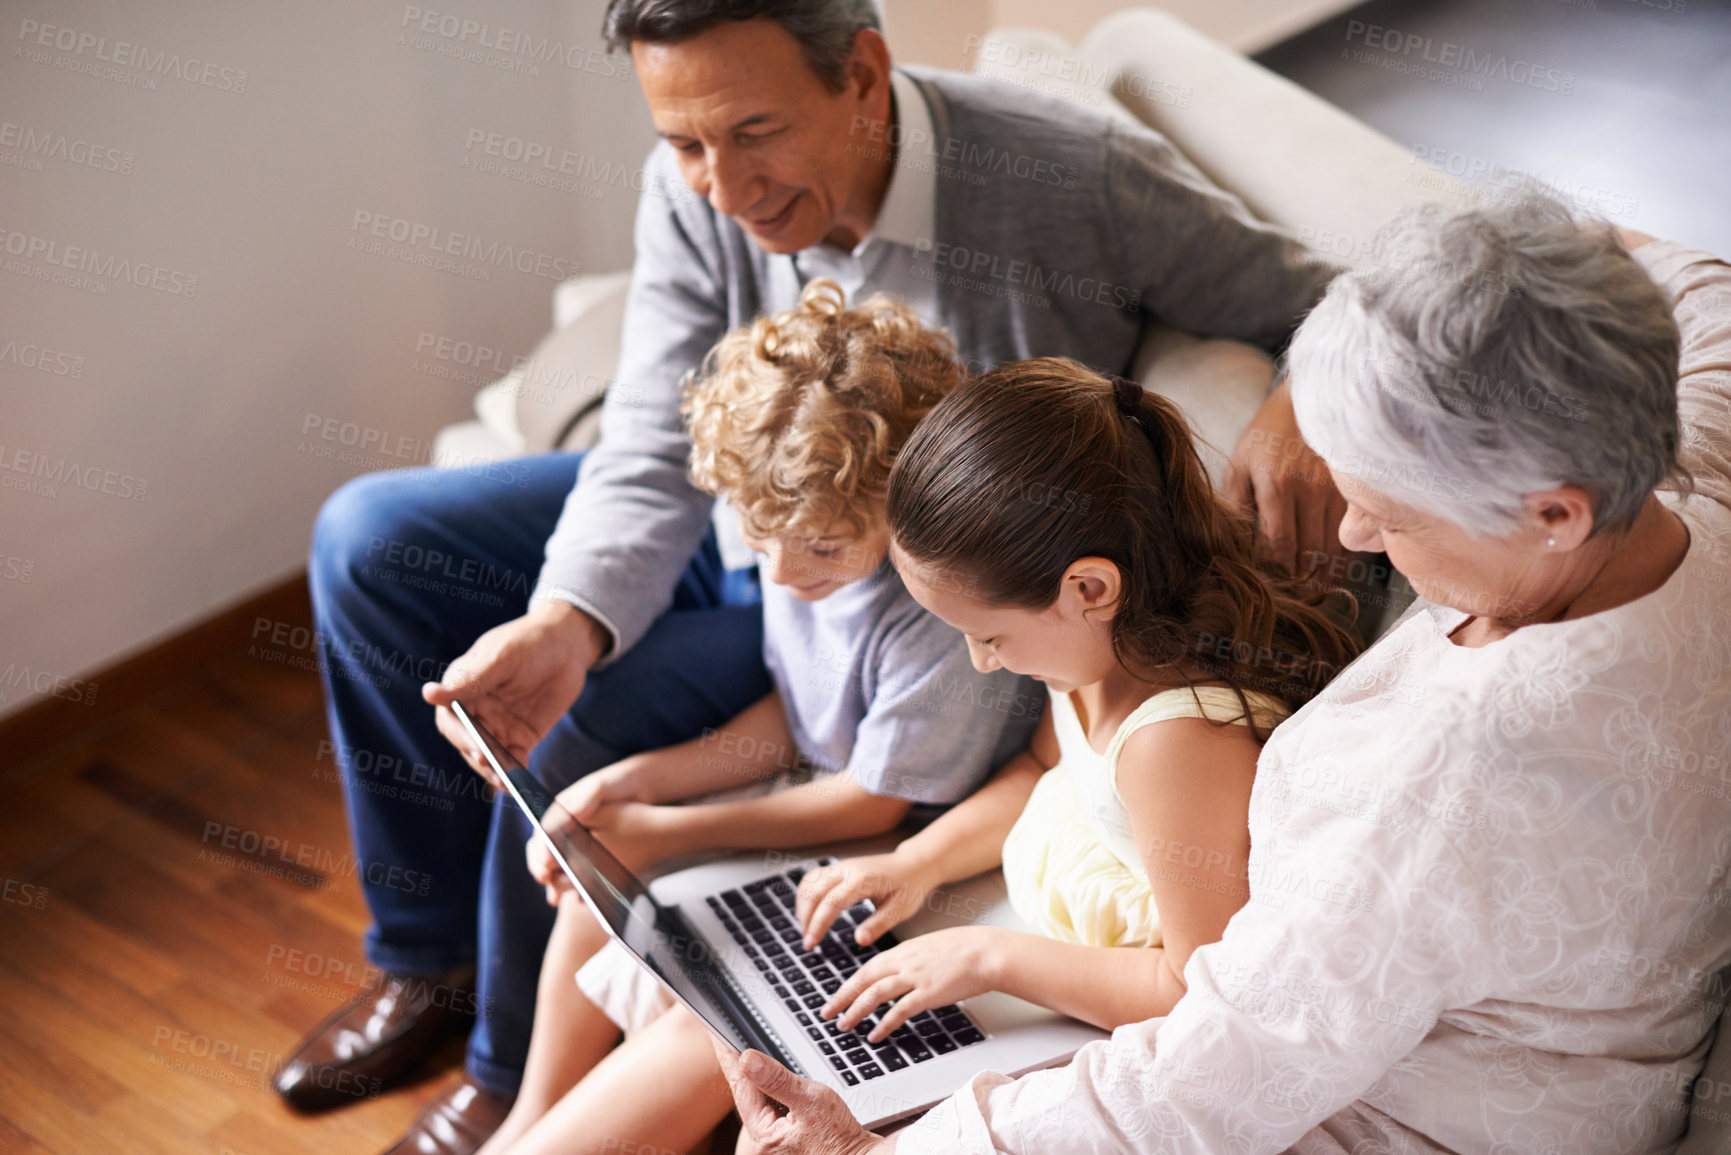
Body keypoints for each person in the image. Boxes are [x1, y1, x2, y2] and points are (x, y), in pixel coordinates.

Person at [281, 0, 1347, 1147]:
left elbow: (1314, 293)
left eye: (753, 133)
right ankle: (423, 960)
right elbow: (647, 437)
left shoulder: (1064, 176)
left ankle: (501, 1074)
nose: (722, 191)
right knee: (369, 541)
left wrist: (1299, 399)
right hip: (745, 520)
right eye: (684, 144)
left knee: (577, 742)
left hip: (893, 585)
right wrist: (569, 617)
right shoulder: (691, 191)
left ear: (866, 79)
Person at [713, 196, 1731, 1153]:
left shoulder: (1439, 794)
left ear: (1554, 514)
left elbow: (1209, 1073)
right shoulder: (1695, 475)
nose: (1351, 530)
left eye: (1392, 511)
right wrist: (1323, 384)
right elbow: (1690, 280)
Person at [477, 279, 1039, 1154]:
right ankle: (526, 1115)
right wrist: (641, 782)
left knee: (650, 879)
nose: (778, 574)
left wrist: (661, 830)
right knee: (596, 874)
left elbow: (871, 802)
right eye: (757, 535)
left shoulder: (934, 615)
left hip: (904, 842)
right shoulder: (804, 547)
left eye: (817, 547)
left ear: (904, 497)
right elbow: (800, 710)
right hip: (825, 795)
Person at [785, 359, 1359, 1054]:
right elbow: (1037, 769)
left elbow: (1198, 987)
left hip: (1117, 1009)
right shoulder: (1095, 646)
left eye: (988, 634)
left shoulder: (1174, 740)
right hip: (1049, 947)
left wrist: (986, 958)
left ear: (1088, 587)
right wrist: (918, 861)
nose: (981, 660)